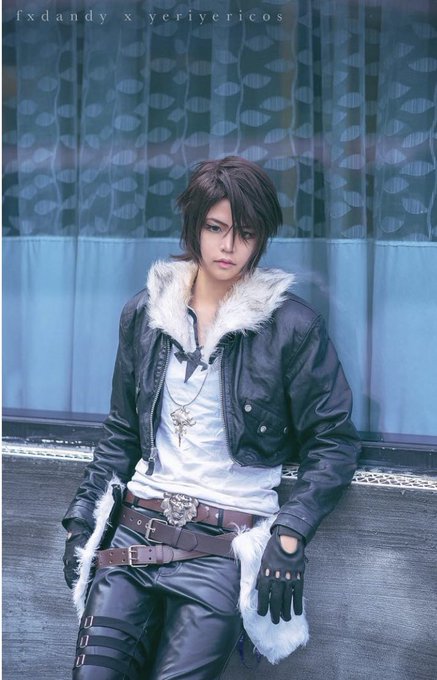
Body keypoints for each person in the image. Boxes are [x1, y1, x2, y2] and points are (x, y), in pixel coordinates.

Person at [62, 156, 361, 679]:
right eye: (216, 228)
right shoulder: (146, 315)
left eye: (245, 233)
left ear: (260, 238)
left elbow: (333, 440)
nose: (229, 246)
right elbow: (121, 433)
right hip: (134, 532)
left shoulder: (291, 327)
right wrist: (82, 519)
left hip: (222, 549)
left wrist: (291, 532)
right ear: (194, 226)